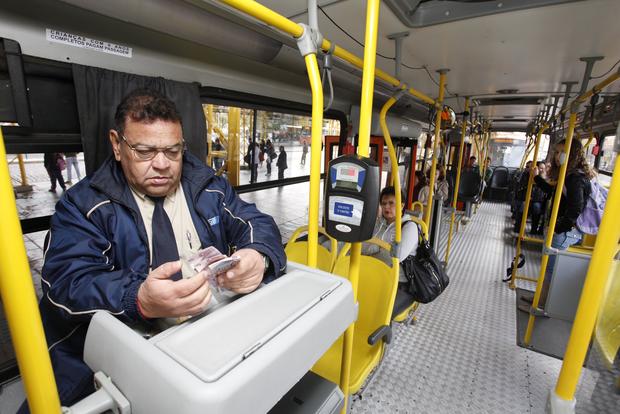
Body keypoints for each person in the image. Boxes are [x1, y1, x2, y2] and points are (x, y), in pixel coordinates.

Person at [31, 89, 286, 409]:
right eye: (145, 151)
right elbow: (66, 283)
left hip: (209, 333)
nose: (163, 164)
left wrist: (257, 255)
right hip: (128, 351)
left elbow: (253, 221)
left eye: (173, 151)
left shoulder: (207, 185)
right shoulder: (83, 206)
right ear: (117, 145)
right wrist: (138, 298)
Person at [519, 139, 594, 313]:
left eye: (562, 152)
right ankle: (538, 299)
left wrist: (557, 227)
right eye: (557, 151)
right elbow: (554, 192)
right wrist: (537, 178)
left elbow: (576, 207)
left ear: (573, 154)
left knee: (551, 271)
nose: (558, 155)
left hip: (565, 231)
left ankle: (541, 306)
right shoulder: (569, 175)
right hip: (561, 228)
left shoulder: (575, 178)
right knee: (547, 268)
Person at [362, 186, 419, 284]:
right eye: (383, 204)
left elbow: (395, 257)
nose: (386, 207)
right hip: (372, 270)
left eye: (391, 203)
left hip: (396, 279)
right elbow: (362, 244)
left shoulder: (409, 227)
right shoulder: (378, 223)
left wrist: (370, 252)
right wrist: (377, 249)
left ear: (401, 205)